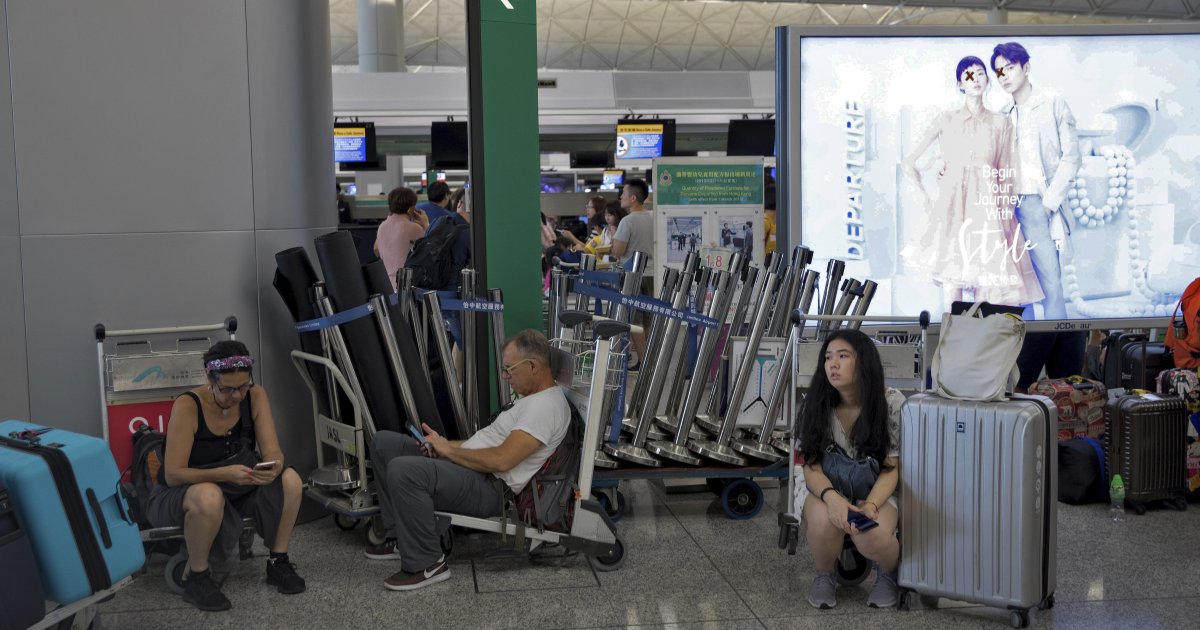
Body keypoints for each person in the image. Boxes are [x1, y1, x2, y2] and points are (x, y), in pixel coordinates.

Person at [364, 330, 571, 591]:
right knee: (384, 444)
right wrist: (443, 446)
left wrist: (449, 452)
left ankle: (428, 563)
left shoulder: (546, 408)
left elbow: (501, 460)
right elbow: (486, 444)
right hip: (473, 468)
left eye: (510, 369)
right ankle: (398, 538)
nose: (505, 377)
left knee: (403, 471)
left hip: (489, 486)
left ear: (532, 366)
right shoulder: (531, 400)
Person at [148, 341, 306, 611]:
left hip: (239, 484)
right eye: (227, 389)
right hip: (184, 492)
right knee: (210, 494)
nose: (237, 396)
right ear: (209, 378)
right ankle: (198, 577)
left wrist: (273, 469)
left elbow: (274, 452)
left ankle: (278, 562)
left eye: (243, 386)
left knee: (291, 480)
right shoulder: (187, 406)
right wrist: (224, 474)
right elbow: (173, 474)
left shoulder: (255, 396)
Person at [901, 55, 1043, 312]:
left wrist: (1004, 211)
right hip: (953, 212)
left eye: (980, 73)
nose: (975, 79)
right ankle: (947, 347)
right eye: (969, 75)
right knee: (952, 286)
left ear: (988, 81)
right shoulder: (946, 119)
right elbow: (910, 162)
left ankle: (983, 347)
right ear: (959, 85)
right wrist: (924, 198)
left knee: (988, 290)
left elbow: (1008, 171)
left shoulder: (1001, 122)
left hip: (987, 212)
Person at [796, 329, 905, 610]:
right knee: (823, 521)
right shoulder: (815, 404)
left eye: (843, 356)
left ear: (863, 361)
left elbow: (891, 468)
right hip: (825, 487)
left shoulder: (891, 403)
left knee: (871, 536)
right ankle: (824, 574)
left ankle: (889, 573)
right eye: (828, 357)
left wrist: (870, 504)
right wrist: (833, 499)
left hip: (876, 490)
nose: (833, 364)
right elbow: (810, 466)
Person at [992, 41, 1080, 321]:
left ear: (1026, 68)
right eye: (999, 71)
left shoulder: (1052, 103)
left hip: (1038, 204)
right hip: (1009, 208)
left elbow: (1072, 157)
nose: (1004, 75)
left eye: (1010, 67)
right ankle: (1025, 357)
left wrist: (1048, 204)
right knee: (1018, 290)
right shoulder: (1004, 115)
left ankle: (1061, 360)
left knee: (1051, 286)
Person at [611, 178, 654, 364]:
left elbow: (618, 251)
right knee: (649, 320)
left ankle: (644, 362)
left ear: (633, 198)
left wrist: (613, 246)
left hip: (633, 276)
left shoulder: (627, 221)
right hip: (653, 275)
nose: (621, 196)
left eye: (624, 194)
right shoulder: (654, 217)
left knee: (635, 322)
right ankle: (652, 361)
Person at [374, 187, 428, 291]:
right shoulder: (414, 228)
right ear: (410, 209)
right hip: (405, 285)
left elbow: (376, 250)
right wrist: (426, 224)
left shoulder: (382, 226)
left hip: (386, 284)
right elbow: (431, 250)